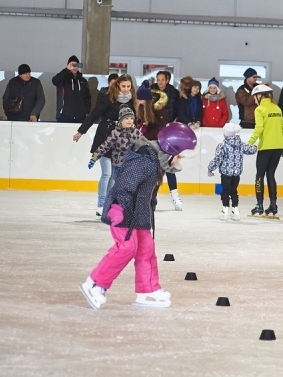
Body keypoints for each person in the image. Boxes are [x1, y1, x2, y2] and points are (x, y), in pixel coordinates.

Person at [79, 123, 197, 310]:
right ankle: (94, 284)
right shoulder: (143, 161)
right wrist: (117, 208)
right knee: (126, 248)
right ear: (171, 150)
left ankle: (147, 290)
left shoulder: (155, 162)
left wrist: (148, 211)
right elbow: (123, 185)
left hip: (139, 214)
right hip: (123, 211)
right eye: (180, 155)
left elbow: (147, 193)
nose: (179, 160)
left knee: (146, 248)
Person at [74, 74, 136, 216]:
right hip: (105, 137)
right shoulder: (107, 97)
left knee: (115, 175)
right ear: (118, 85)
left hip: (121, 142)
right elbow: (94, 115)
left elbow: (134, 120)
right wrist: (80, 132)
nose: (126, 89)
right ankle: (101, 205)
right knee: (106, 173)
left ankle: (108, 204)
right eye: (123, 86)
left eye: (128, 86)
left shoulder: (132, 101)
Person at [135, 81, 180, 210]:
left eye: (140, 99)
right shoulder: (141, 109)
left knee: (159, 173)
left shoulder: (159, 111)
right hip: (144, 146)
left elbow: (160, 130)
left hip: (158, 145)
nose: (138, 101)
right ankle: (144, 200)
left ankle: (158, 198)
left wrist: (145, 136)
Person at [247, 84, 283, 217]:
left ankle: (259, 205)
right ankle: (273, 205)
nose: (254, 100)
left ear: (260, 96)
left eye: (255, 97)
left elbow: (259, 128)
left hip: (265, 147)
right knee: (271, 175)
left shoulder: (260, 109)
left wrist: (250, 142)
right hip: (278, 147)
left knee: (259, 175)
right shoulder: (276, 108)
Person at [208, 123, 258, 221]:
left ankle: (225, 209)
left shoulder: (222, 145)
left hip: (226, 173)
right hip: (236, 173)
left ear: (225, 134)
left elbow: (217, 159)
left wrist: (210, 168)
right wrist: (257, 146)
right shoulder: (240, 144)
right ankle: (235, 210)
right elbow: (250, 150)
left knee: (225, 191)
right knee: (234, 191)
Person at [89, 106, 144, 181]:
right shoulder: (116, 133)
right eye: (126, 118)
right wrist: (94, 158)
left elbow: (144, 146)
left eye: (131, 118)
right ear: (121, 120)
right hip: (118, 165)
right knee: (116, 185)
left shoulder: (136, 133)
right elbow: (105, 145)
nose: (130, 120)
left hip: (131, 165)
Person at [52, 55, 91, 123]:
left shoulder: (83, 81)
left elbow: (87, 98)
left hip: (81, 117)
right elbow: (55, 81)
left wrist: (86, 111)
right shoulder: (63, 79)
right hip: (64, 116)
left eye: (76, 65)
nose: (74, 67)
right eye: (72, 65)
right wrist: (67, 70)